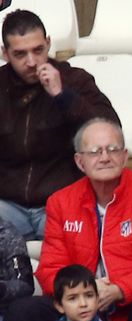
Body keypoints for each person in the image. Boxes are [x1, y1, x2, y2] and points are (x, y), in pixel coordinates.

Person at [33, 118, 132, 321]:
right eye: (94, 151)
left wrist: (119, 290)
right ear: (79, 161)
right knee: (25, 311)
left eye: (112, 150)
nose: (104, 158)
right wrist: (83, 293)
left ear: (124, 156)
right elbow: (50, 268)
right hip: (77, 303)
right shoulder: (61, 202)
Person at [0, 7, 118, 240]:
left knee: (82, 238)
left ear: (49, 43)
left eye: (38, 50)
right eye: (20, 54)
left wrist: (63, 96)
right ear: (5, 53)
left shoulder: (75, 79)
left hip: (60, 202)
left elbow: (109, 129)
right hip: (7, 206)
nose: (32, 62)